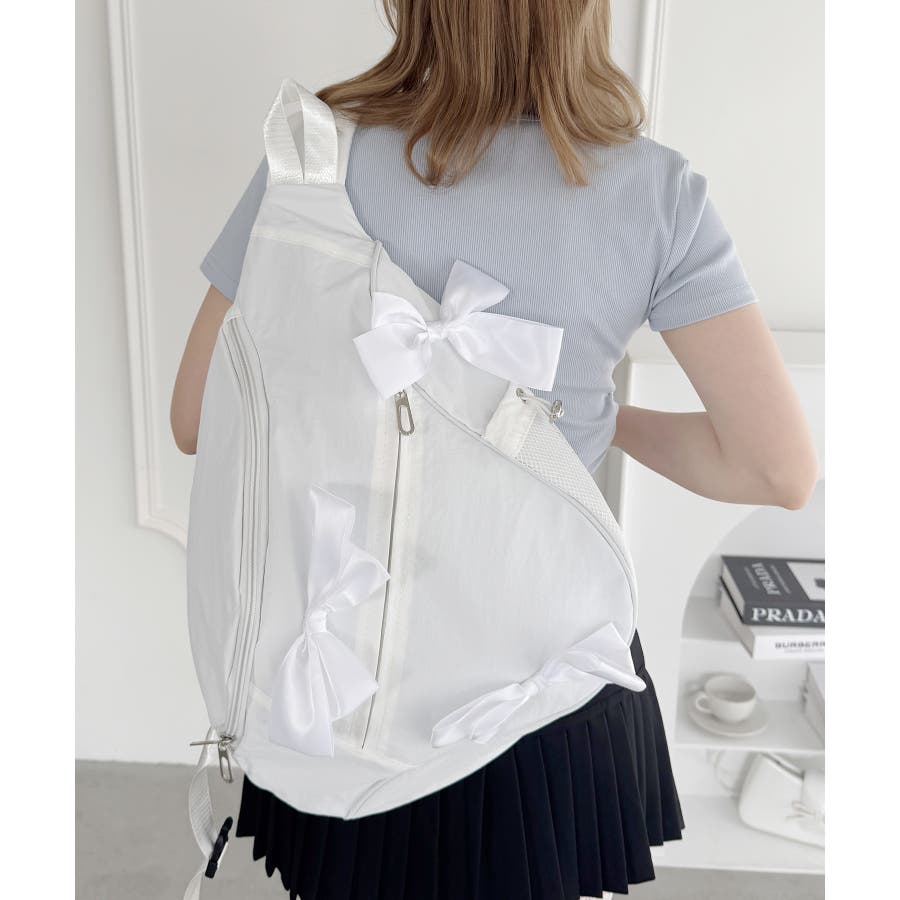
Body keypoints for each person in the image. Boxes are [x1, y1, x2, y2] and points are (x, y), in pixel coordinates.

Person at [170, 1, 819, 897]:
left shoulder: (315, 161)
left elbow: (196, 417)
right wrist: (589, 422)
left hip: (345, 683)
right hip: (543, 693)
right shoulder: (655, 195)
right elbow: (776, 469)